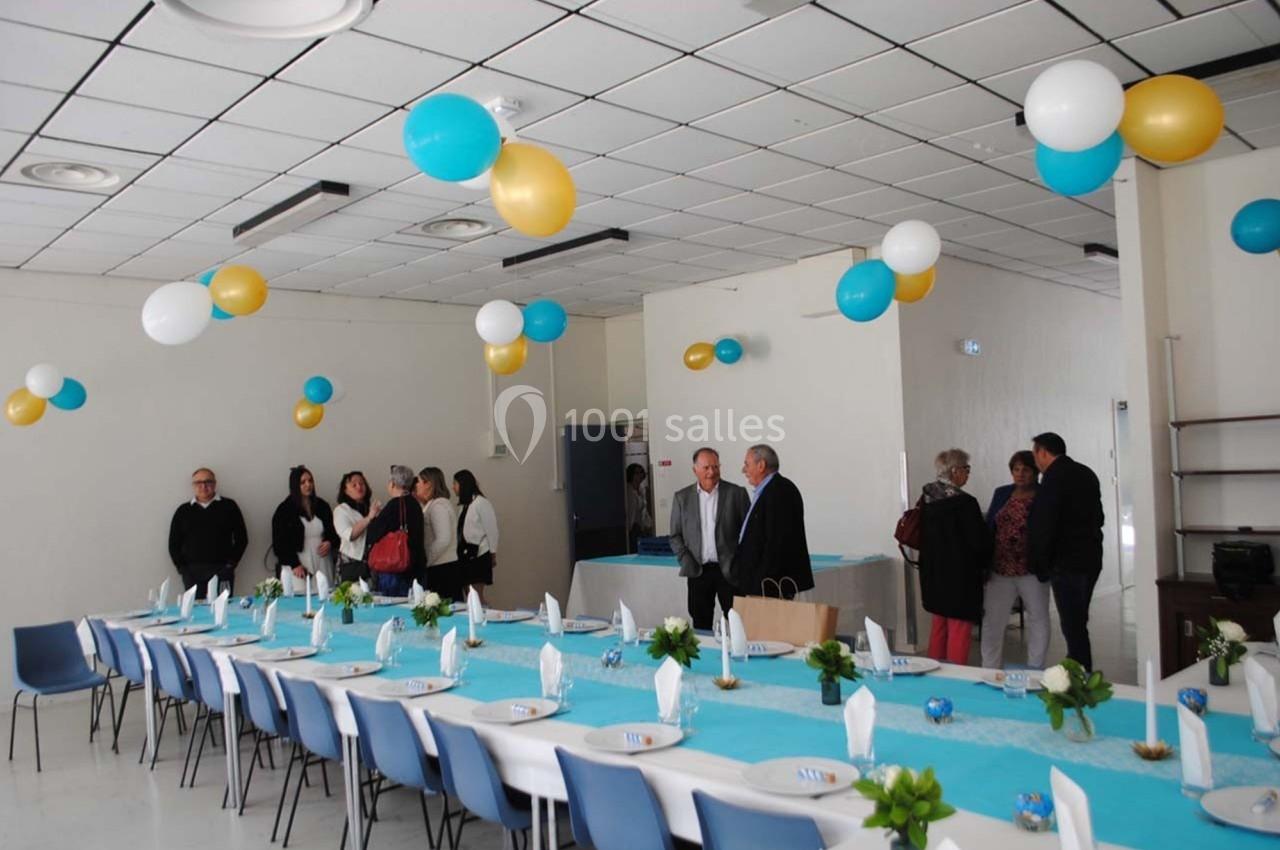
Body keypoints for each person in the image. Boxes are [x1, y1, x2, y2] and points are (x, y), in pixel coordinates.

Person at [1027, 432, 1105, 670]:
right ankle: (1082, 672)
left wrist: (1039, 564)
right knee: (1079, 620)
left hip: (1065, 562)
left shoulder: (1052, 478)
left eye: (1035, 454)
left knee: (1072, 624)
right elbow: (1099, 517)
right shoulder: (1086, 473)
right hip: (1090, 557)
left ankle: (1080, 676)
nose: (1035, 461)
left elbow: (1043, 525)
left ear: (1042, 452)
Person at [918, 449, 992, 665]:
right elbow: (979, 543)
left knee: (939, 626)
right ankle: (956, 677)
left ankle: (933, 672)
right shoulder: (965, 504)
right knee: (960, 628)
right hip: (960, 576)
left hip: (932, 573)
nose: (968, 474)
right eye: (966, 469)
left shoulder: (927, 498)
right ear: (955, 471)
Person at [981, 451, 1051, 669]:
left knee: (1038, 618)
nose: (1020, 474)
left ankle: (1035, 668)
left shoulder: (1045, 495)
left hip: (1031, 569)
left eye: (1026, 469)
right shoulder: (1002, 493)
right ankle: (989, 668)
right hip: (1000, 568)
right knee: (993, 621)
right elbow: (990, 526)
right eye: (1016, 469)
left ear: (1035, 472)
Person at [669, 448, 750, 630]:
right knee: (700, 623)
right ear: (695, 469)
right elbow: (675, 535)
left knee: (739, 623)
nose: (711, 472)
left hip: (730, 571)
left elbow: (750, 533)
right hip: (698, 571)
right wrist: (685, 558)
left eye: (715, 467)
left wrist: (742, 562)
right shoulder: (682, 498)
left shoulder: (736, 494)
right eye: (706, 467)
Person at [734, 444, 813, 599]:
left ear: (761, 465)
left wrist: (761, 584)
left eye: (747, 464)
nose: (744, 470)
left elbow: (776, 543)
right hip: (762, 584)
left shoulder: (779, 491)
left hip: (771, 586)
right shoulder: (770, 489)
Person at [168, 467, 248, 598]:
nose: (203, 486)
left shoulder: (229, 506)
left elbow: (242, 539)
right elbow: (173, 544)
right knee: (196, 612)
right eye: (198, 483)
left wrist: (230, 565)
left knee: (223, 611)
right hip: (192, 573)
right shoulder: (183, 511)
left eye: (208, 482)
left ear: (215, 484)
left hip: (222, 570)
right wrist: (183, 569)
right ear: (193, 486)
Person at [270, 466, 339, 584]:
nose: (308, 485)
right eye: (303, 482)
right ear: (295, 485)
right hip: (298, 563)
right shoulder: (284, 510)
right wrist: (294, 564)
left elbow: (334, 532)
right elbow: (280, 543)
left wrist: (329, 542)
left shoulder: (322, 506)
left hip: (322, 560)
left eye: (310, 481)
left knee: (324, 593)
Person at [365, 465, 426, 597]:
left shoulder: (393, 505)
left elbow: (373, 534)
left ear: (393, 484)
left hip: (395, 567)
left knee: (395, 609)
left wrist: (373, 517)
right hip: (416, 565)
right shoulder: (415, 504)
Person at [417, 466, 461, 602]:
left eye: (418, 482)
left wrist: (426, 561)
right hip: (440, 567)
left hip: (443, 569)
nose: (416, 485)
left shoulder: (438, 506)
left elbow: (443, 539)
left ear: (428, 484)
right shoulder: (432, 505)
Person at [454, 469, 499, 602]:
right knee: (468, 594)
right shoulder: (464, 505)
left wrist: (493, 552)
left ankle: (484, 617)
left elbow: (492, 530)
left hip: (479, 553)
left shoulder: (481, 503)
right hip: (465, 553)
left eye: (455, 483)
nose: (453, 487)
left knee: (476, 595)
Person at [333, 471, 380, 584]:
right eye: (354, 485)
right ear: (345, 490)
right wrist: (369, 518)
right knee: (353, 597)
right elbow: (350, 535)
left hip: (373, 563)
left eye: (362, 483)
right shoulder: (341, 510)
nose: (359, 487)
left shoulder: (370, 508)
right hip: (351, 564)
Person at [625, 463, 653, 553]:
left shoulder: (641, 489)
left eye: (641, 472)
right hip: (633, 528)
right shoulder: (629, 491)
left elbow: (644, 510)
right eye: (636, 473)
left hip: (642, 527)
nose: (640, 475)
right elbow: (631, 512)